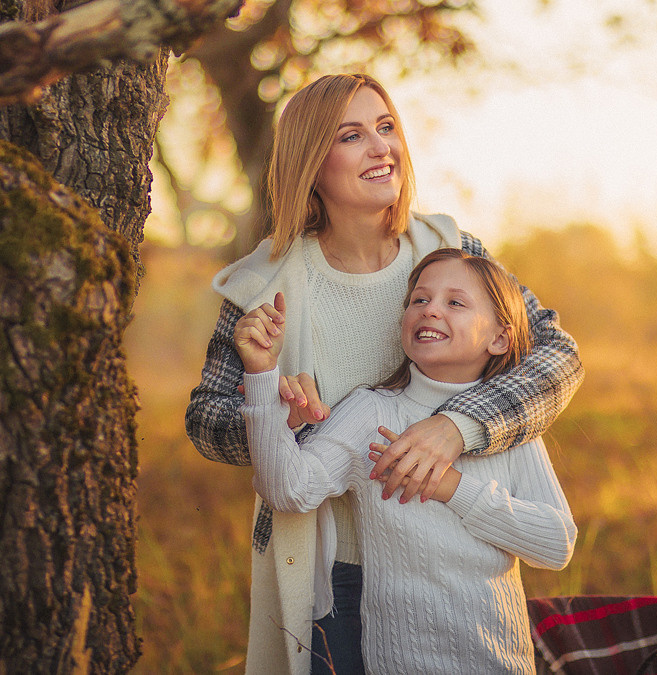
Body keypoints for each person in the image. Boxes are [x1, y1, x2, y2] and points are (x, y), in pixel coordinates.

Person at [184, 73, 583, 675]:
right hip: (328, 569)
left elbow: (555, 352)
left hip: (452, 558)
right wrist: (276, 416)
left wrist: (460, 426)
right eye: (352, 135)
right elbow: (205, 419)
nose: (381, 147)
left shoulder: (450, 249)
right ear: (311, 164)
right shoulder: (263, 285)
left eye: (387, 127)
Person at [235, 248, 577, 674]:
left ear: (500, 338)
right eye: (419, 299)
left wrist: (453, 488)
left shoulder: (510, 427)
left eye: (455, 302)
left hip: (498, 662)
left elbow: (556, 542)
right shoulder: (373, 413)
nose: (430, 310)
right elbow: (289, 490)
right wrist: (263, 376)